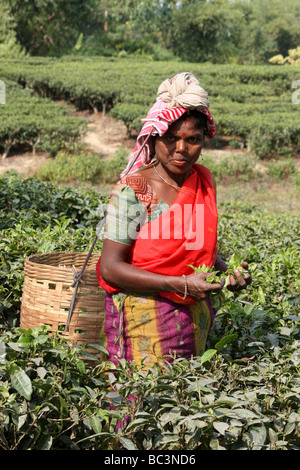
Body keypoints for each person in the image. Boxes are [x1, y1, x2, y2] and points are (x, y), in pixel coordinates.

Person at [96, 72, 251, 368]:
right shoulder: (134, 190)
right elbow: (111, 268)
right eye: (170, 138)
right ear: (154, 139)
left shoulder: (203, 181)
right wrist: (179, 284)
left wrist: (225, 270)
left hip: (193, 319)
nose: (181, 149)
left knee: (183, 405)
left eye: (193, 140)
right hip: (141, 322)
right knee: (138, 407)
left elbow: (195, 246)